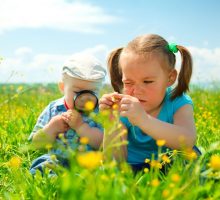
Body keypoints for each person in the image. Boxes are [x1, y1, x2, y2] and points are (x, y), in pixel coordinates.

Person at [99, 34, 201, 173]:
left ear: (170, 78)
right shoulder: (123, 106)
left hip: (171, 165)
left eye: (147, 82)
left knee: (192, 157)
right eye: (128, 83)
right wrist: (110, 122)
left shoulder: (178, 101)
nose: (137, 91)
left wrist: (143, 120)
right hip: (134, 168)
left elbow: (188, 141)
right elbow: (114, 162)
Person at [29, 53, 106, 175]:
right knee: (43, 163)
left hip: (88, 163)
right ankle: (53, 182)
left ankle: (82, 184)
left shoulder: (100, 112)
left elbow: (104, 144)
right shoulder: (53, 109)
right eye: (78, 92)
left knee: (102, 169)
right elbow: (36, 144)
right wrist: (51, 128)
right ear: (62, 87)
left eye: (92, 92)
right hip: (56, 160)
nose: (85, 98)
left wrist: (81, 127)